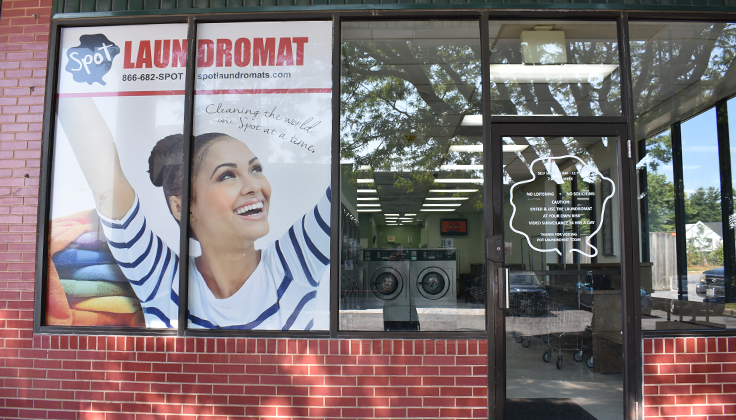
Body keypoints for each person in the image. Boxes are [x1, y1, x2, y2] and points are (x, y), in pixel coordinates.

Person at [57, 97, 330, 330]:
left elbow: (345, 189)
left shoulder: (293, 265)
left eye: (255, 169)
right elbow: (108, 179)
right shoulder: (163, 280)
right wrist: (70, 74)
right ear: (183, 207)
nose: (254, 186)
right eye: (227, 175)